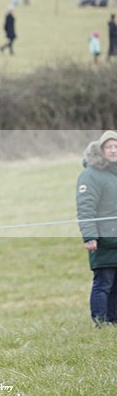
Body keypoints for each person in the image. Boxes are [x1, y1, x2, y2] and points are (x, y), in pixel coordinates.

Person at [76, 131, 117, 327]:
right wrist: (90, 236)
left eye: (116, 146)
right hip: (103, 241)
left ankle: (113, 320)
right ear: (101, 150)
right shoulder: (90, 175)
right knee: (103, 283)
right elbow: (86, 209)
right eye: (109, 146)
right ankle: (100, 322)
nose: (113, 150)